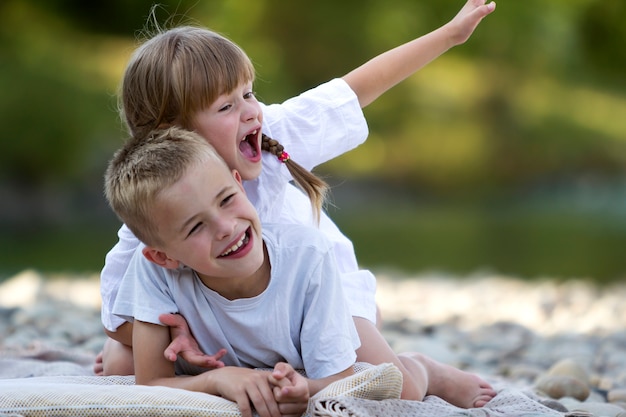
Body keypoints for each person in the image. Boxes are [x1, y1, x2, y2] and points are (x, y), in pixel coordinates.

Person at [99, 0, 498, 407]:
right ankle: (262, 368)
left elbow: (356, 89)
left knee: (395, 387)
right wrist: (178, 332)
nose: (250, 111)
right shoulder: (157, 206)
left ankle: (426, 368)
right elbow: (118, 309)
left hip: (318, 289)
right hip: (229, 310)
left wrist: (450, 34)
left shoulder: (274, 133)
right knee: (118, 363)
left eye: (248, 93)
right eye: (226, 106)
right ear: (173, 132)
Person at [104, 127, 360, 417]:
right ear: (163, 256)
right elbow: (150, 384)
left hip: (331, 318)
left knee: (403, 385)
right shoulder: (153, 269)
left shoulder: (309, 255)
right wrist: (217, 380)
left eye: (226, 200)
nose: (226, 227)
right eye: (196, 227)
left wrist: (300, 389)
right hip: (209, 362)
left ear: (239, 185)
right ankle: (121, 346)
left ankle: (423, 366)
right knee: (119, 367)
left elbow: (340, 380)